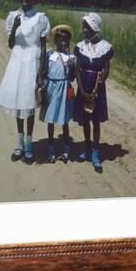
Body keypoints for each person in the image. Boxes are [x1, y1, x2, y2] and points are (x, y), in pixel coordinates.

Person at [0, 0, 50, 164]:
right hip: (17, 63)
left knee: (29, 105)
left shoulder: (40, 18)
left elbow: (43, 46)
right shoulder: (13, 17)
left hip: (31, 63)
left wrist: (41, 71)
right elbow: (11, 44)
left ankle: (29, 145)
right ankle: (19, 144)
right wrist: (15, 28)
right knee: (19, 104)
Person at [73, 12, 114, 173]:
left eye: (87, 27)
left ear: (95, 28)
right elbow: (77, 69)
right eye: (83, 27)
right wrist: (82, 90)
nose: (84, 30)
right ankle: (87, 147)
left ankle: (96, 151)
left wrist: (99, 84)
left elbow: (106, 69)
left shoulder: (105, 47)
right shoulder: (80, 47)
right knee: (85, 120)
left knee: (95, 120)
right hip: (83, 85)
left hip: (97, 89)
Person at [39, 25, 76, 164]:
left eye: (66, 40)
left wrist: (72, 66)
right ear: (55, 41)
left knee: (64, 120)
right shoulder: (49, 55)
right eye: (60, 40)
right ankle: (51, 149)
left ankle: (66, 150)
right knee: (51, 119)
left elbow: (72, 78)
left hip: (64, 89)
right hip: (51, 89)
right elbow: (43, 72)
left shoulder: (71, 57)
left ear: (69, 41)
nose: (63, 43)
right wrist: (42, 86)